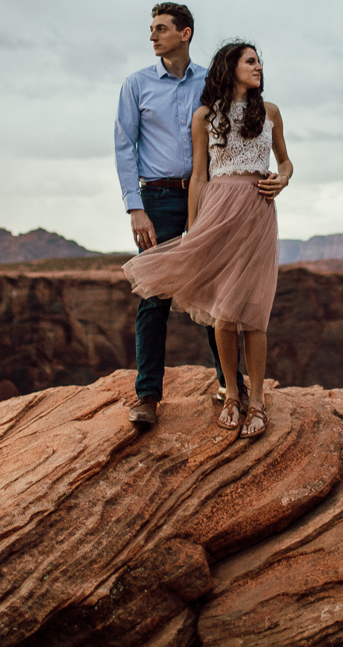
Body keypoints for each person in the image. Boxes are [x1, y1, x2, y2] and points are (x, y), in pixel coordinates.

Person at [122, 41, 292, 438]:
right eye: (251, 61)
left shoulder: (271, 113)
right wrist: (194, 226)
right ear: (230, 67)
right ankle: (231, 394)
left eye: (259, 62)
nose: (259, 67)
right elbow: (199, 175)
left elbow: (285, 161)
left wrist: (282, 179)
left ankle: (258, 402)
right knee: (222, 308)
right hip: (218, 211)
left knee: (253, 307)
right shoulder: (205, 116)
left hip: (257, 211)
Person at [115, 3, 246, 428]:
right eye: (151, 29)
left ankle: (230, 385)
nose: (152, 36)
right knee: (154, 297)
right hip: (157, 199)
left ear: (185, 33)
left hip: (208, 195)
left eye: (161, 29)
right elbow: (124, 147)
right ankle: (148, 397)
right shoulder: (136, 85)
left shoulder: (211, 81)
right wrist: (135, 207)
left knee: (214, 291)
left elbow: (235, 126)